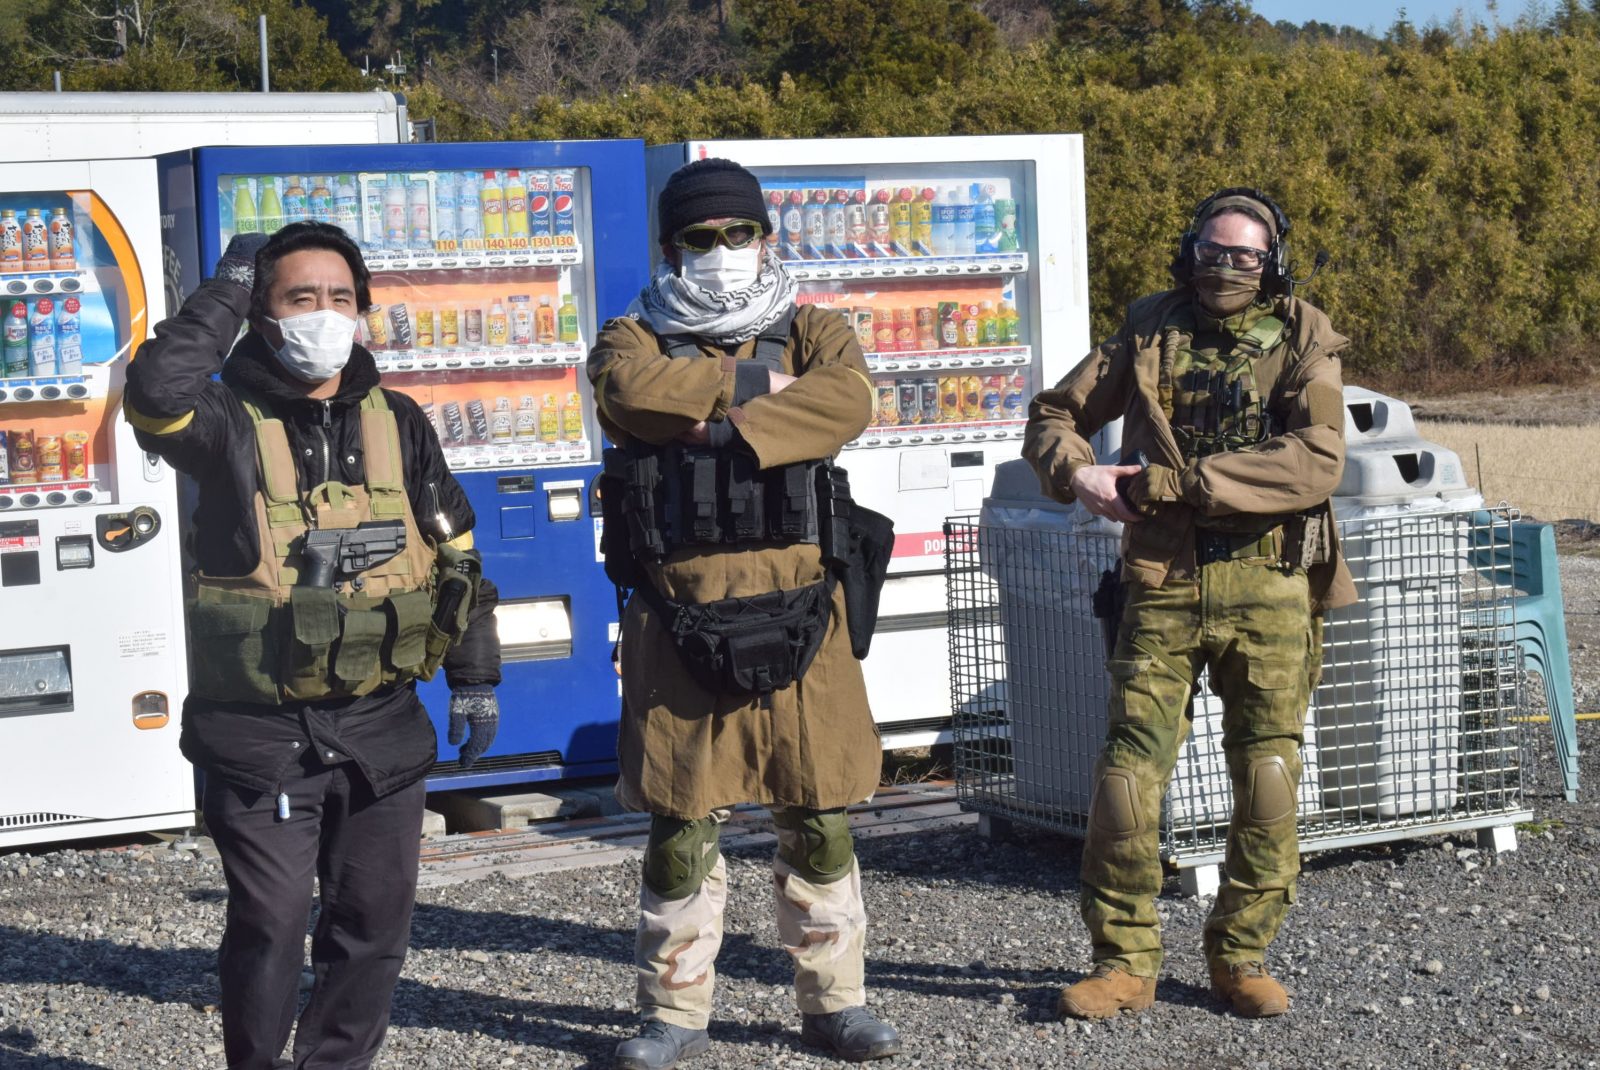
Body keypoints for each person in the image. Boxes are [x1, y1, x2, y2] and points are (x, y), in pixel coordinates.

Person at [124, 222, 502, 1069]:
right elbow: (155, 392)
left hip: (381, 729)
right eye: (300, 297)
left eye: (340, 297)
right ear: (263, 314)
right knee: (271, 923)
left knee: (373, 925)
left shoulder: (399, 421)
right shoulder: (221, 420)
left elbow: (460, 560)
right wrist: (226, 284)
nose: (323, 314)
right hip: (261, 738)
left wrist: (475, 678)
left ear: (363, 310)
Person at [588, 158, 900, 1069]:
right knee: (679, 823)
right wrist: (769, 401)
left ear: (766, 238)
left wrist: (708, 419)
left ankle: (836, 1005)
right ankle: (673, 1014)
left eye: (739, 232)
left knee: (821, 813)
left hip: (805, 612)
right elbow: (628, 395)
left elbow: (848, 399)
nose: (722, 249)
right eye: (702, 236)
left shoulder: (815, 327)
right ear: (670, 247)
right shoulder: (632, 333)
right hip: (679, 614)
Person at [1023, 188, 1354, 1020]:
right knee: (1126, 782)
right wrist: (1077, 472)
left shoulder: (1306, 336)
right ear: (1189, 251)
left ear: (1272, 262)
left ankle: (1241, 954)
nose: (1226, 267)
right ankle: (1123, 962)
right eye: (1213, 251)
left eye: (1245, 255)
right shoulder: (1149, 329)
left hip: (1270, 583)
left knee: (1268, 778)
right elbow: (1055, 412)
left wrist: (1181, 484)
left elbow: (1316, 461)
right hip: (1163, 581)